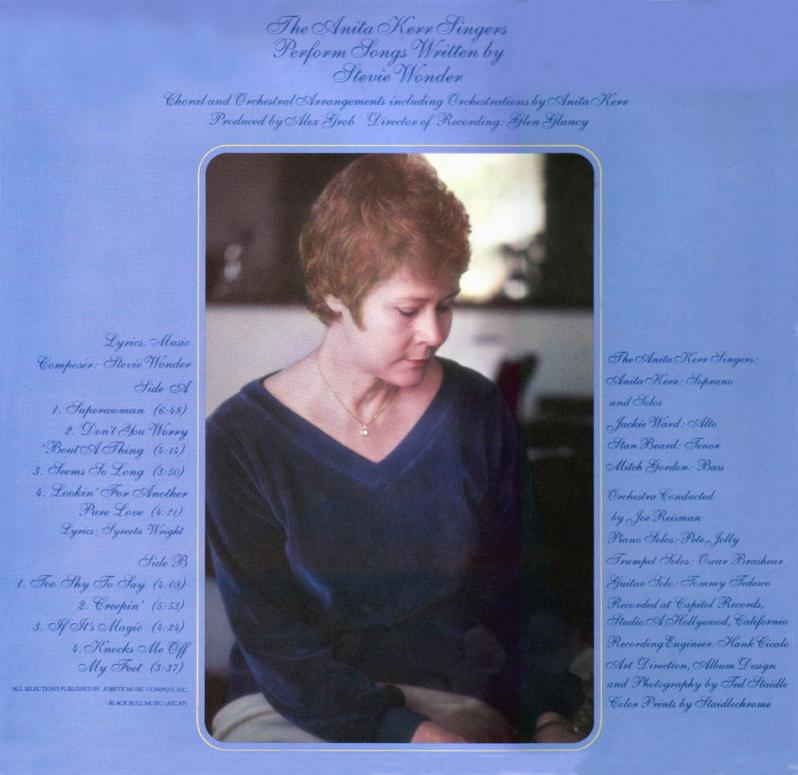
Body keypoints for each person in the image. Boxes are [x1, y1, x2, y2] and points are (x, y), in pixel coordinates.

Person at [206, 153, 584, 744]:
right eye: (408, 310)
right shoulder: (239, 438)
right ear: (335, 295)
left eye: (446, 304)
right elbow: (278, 646)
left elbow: (520, 597)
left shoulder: (477, 410)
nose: (433, 333)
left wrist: (548, 716)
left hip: (454, 694)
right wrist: (408, 735)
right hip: (291, 705)